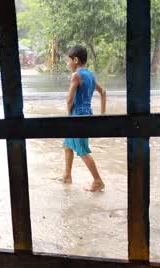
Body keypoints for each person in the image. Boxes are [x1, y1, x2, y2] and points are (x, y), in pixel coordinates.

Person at [61, 45, 107, 192]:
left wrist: (69, 114)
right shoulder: (90, 75)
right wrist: (103, 114)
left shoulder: (76, 76)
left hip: (77, 117)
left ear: (75, 60)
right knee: (68, 146)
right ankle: (67, 176)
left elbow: (69, 100)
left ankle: (98, 181)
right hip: (87, 113)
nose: (68, 64)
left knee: (82, 150)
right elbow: (103, 92)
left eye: (68, 61)